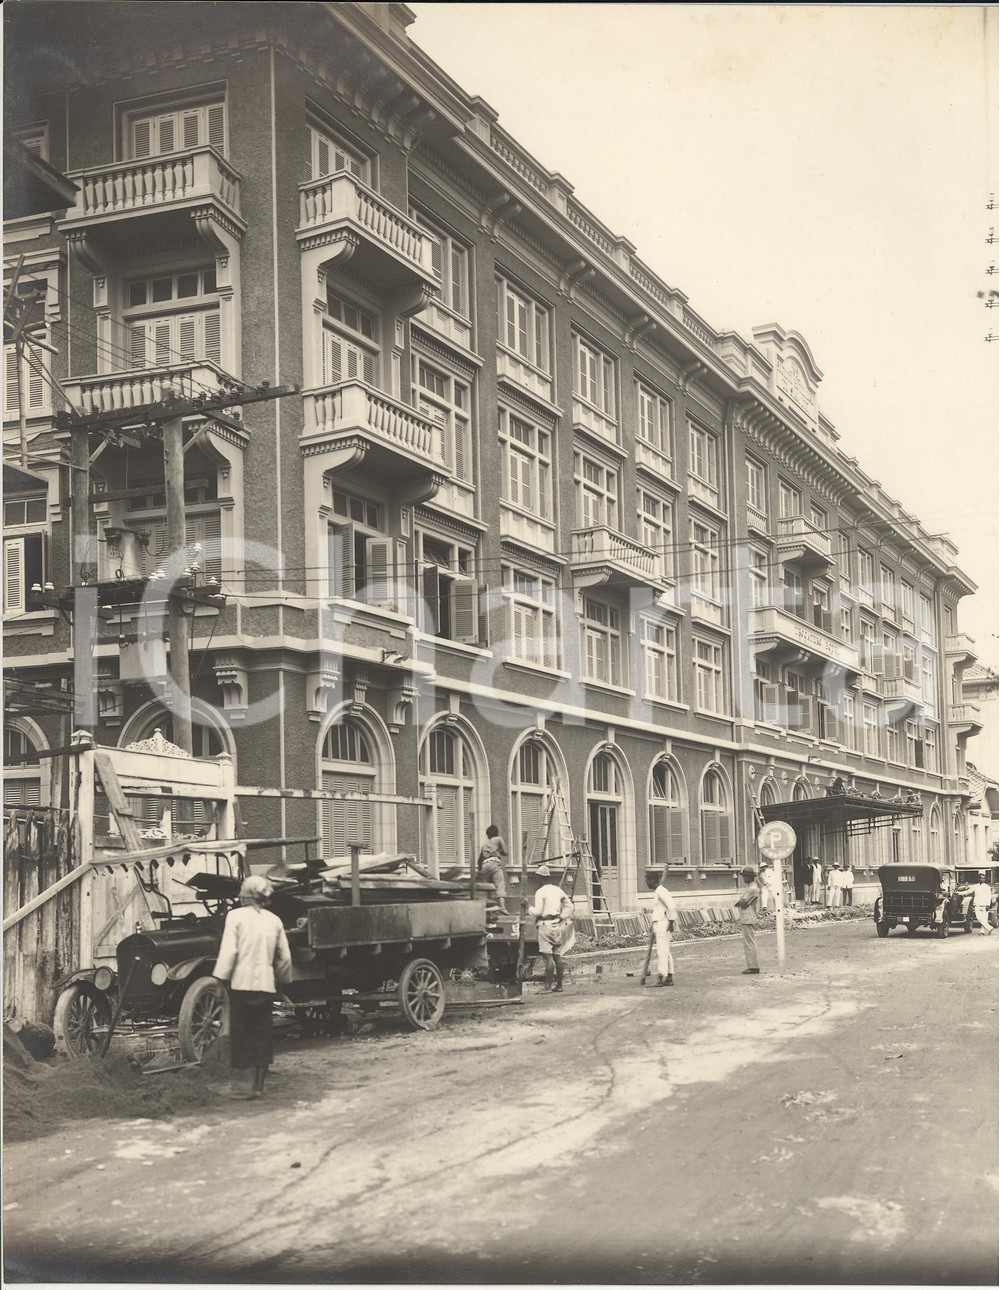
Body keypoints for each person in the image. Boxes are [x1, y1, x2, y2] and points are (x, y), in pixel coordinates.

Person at [212, 874, 293, 1099]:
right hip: (265, 986)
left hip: (241, 985)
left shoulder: (235, 917)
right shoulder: (274, 920)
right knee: (262, 1033)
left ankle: (239, 1085)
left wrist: (220, 981)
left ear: (246, 896)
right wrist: (281, 980)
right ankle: (258, 1086)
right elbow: (285, 958)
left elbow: (229, 951)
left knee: (241, 1034)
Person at [528, 865, 576, 993]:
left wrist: (527, 907)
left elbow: (537, 912)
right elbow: (569, 906)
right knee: (557, 956)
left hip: (545, 926)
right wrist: (562, 917)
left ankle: (547, 987)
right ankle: (559, 985)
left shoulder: (540, 892)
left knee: (547, 957)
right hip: (556, 925)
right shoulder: (557, 890)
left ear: (539, 878)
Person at [645, 868, 678, 986]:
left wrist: (671, 922)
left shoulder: (661, 891)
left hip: (663, 924)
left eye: (648, 881)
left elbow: (672, 906)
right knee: (665, 951)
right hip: (659, 923)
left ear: (653, 881)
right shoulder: (657, 892)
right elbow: (658, 910)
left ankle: (660, 977)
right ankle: (669, 977)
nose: (647, 884)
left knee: (662, 952)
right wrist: (652, 924)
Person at [734, 865, 761, 974]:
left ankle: (753, 966)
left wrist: (740, 902)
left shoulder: (752, 889)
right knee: (749, 942)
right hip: (747, 916)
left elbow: (743, 903)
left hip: (748, 917)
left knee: (749, 942)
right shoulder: (750, 887)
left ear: (750, 877)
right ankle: (752, 965)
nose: (744, 878)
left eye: (745, 876)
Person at [478, 824, 510, 915]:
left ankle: (489, 910)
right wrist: (499, 851)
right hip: (494, 863)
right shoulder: (498, 839)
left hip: (484, 865)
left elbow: (479, 860)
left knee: (488, 887)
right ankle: (502, 907)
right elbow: (506, 852)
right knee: (499, 884)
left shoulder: (484, 845)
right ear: (496, 833)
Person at [971, 871, 994, 935]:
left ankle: (982, 932)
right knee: (979, 918)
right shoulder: (975, 886)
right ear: (978, 879)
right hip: (977, 905)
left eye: (984, 878)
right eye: (981, 878)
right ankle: (990, 928)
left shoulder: (987, 887)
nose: (982, 880)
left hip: (984, 905)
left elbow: (988, 896)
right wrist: (959, 893)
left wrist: (988, 905)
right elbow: (968, 891)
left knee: (984, 919)